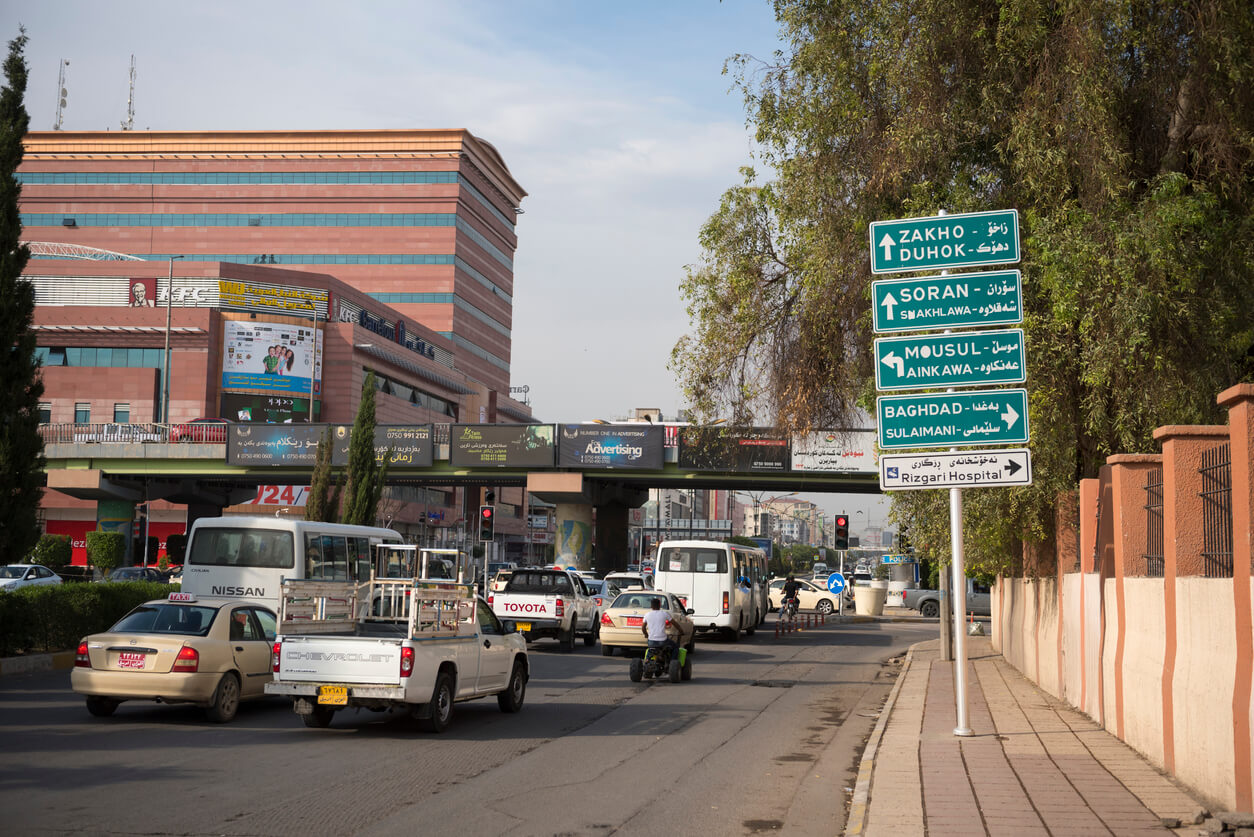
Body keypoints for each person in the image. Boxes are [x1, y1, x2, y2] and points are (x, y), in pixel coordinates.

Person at [641, 597, 677, 662]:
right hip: (662, 641)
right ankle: (672, 662)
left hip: (651, 641)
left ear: (651, 606)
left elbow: (643, 628)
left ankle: (647, 660)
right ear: (660, 605)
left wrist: (646, 635)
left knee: (650, 649)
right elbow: (675, 624)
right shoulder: (664, 614)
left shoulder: (647, 615)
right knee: (675, 647)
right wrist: (681, 631)